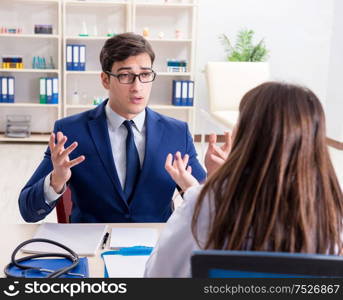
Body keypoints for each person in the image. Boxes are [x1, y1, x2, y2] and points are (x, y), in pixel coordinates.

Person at [144, 81, 343, 277]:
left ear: (250, 134)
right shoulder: (331, 211)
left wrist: (208, 189)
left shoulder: (205, 203)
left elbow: (157, 277)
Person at [18, 33, 206, 223]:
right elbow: (29, 211)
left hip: (156, 246)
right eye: (125, 75)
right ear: (105, 79)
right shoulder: (70, 131)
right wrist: (56, 180)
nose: (137, 86)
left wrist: (216, 179)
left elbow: (209, 210)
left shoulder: (176, 133)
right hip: (91, 246)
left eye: (145, 74)